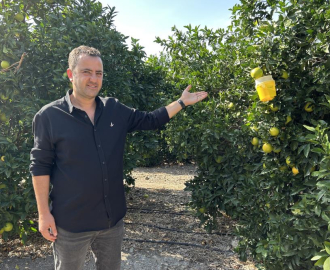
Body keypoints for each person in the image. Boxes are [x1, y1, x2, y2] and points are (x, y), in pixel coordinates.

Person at [29, 45, 208, 270]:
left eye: (99, 73)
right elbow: (40, 167)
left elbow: (151, 120)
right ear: (70, 74)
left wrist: (181, 102)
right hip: (71, 224)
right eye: (86, 72)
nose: (94, 79)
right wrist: (44, 214)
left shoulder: (114, 109)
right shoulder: (50, 116)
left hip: (111, 222)